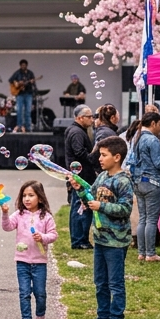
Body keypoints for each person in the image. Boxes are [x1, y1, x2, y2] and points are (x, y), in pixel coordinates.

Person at [76, 135, 134, 319]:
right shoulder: (101, 177)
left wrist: (102, 206)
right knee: (100, 282)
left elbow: (125, 209)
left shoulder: (123, 180)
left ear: (116, 157)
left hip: (116, 242)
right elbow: (89, 198)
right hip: (100, 239)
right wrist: (80, 192)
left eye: (103, 155)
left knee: (115, 283)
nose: (99, 159)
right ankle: (102, 318)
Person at [1, 180, 58, 319]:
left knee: (40, 293)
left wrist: (43, 237)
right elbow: (7, 227)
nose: (26, 199)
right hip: (22, 261)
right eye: (24, 195)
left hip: (39, 262)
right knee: (24, 292)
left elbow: (53, 235)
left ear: (40, 198)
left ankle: (40, 316)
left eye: (31, 195)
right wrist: (5, 213)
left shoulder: (46, 217)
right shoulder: (18, 215)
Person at [128, 112, 160, 262]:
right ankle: (151, 254)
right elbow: (159, 163)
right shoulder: (152, 140)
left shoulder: (137, 137)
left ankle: (142, 253)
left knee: (143, 218)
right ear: (153, 123)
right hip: (152, 182)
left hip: (138, 181)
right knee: (151, 220)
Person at [64, 106, 98, 249]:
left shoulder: (76, 130)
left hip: (79, 175)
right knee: (80, 207)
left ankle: (80, 239)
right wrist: (94, 155)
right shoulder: (77, 132)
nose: (92, 119)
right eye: (89, 117)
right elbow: (79, 152)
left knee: (80, 207)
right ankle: (79, 241)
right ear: (79, 118)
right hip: (81, 177)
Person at [9, 60, 38, 132]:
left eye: (24, 65)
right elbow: (10, 80)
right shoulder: (17, 73)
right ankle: (19, 126)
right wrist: (17, 83)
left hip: (28, 93)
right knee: (19, 111)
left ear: (27, 65)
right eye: (22, 65)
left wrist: (32, 84)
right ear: (20, 65)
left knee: (28, 111)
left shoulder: (30, 73)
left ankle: (28, 127)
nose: (23, 66)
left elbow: (34, 83)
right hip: (20, 94)